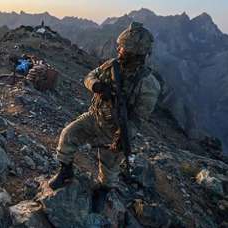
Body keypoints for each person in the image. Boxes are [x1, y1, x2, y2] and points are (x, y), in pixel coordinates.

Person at [49, 22, 161, 190]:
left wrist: (122, 137)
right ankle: (65, 171)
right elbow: (90, 75)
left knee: (109, 170)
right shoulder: (112, 65)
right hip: (95, 117)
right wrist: (96, 86)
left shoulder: (148, 84)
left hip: (115, 131)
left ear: (134, 53)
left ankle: (103, 191)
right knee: (68, 135)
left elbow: (138, 118)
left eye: (122, 48)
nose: (118, 50)